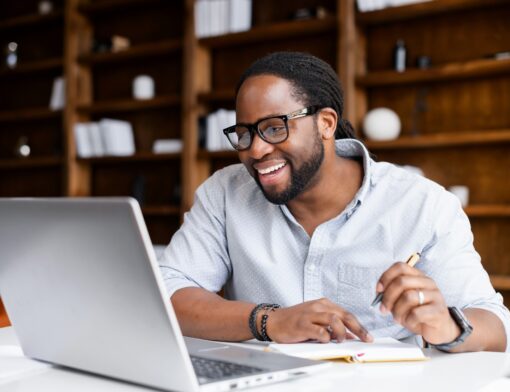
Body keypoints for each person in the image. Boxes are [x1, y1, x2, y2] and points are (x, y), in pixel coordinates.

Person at [159, 51, 509, 352]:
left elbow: (496, 324)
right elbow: (168, 293)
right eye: (245, 133)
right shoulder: (225, 193)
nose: (256, 149)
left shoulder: (422, 205)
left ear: (326, 123)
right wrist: (269, 321)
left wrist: (447, 326)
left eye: (274, 127)